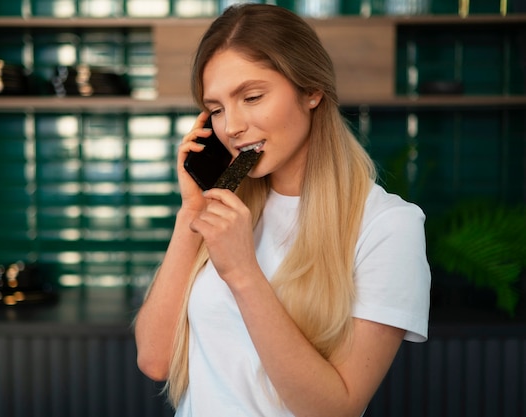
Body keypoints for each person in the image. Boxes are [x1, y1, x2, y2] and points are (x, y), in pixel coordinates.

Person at [134, 4, 431, 417]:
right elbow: (155, 360)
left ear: (311, 91)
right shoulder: (224, 210)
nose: (232, 126)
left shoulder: (387, 226)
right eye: (216, 109)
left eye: (251, 97)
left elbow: (336, 409)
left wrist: (243, 273)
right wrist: (191, 213)